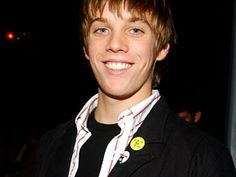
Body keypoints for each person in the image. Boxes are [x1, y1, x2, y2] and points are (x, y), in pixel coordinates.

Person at [31, 0, 236, 176]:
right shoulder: (51, 144)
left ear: (162, 47)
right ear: (86, 46)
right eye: (101, 29)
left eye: (135, 30)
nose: (115, 43)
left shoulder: (202, 157)